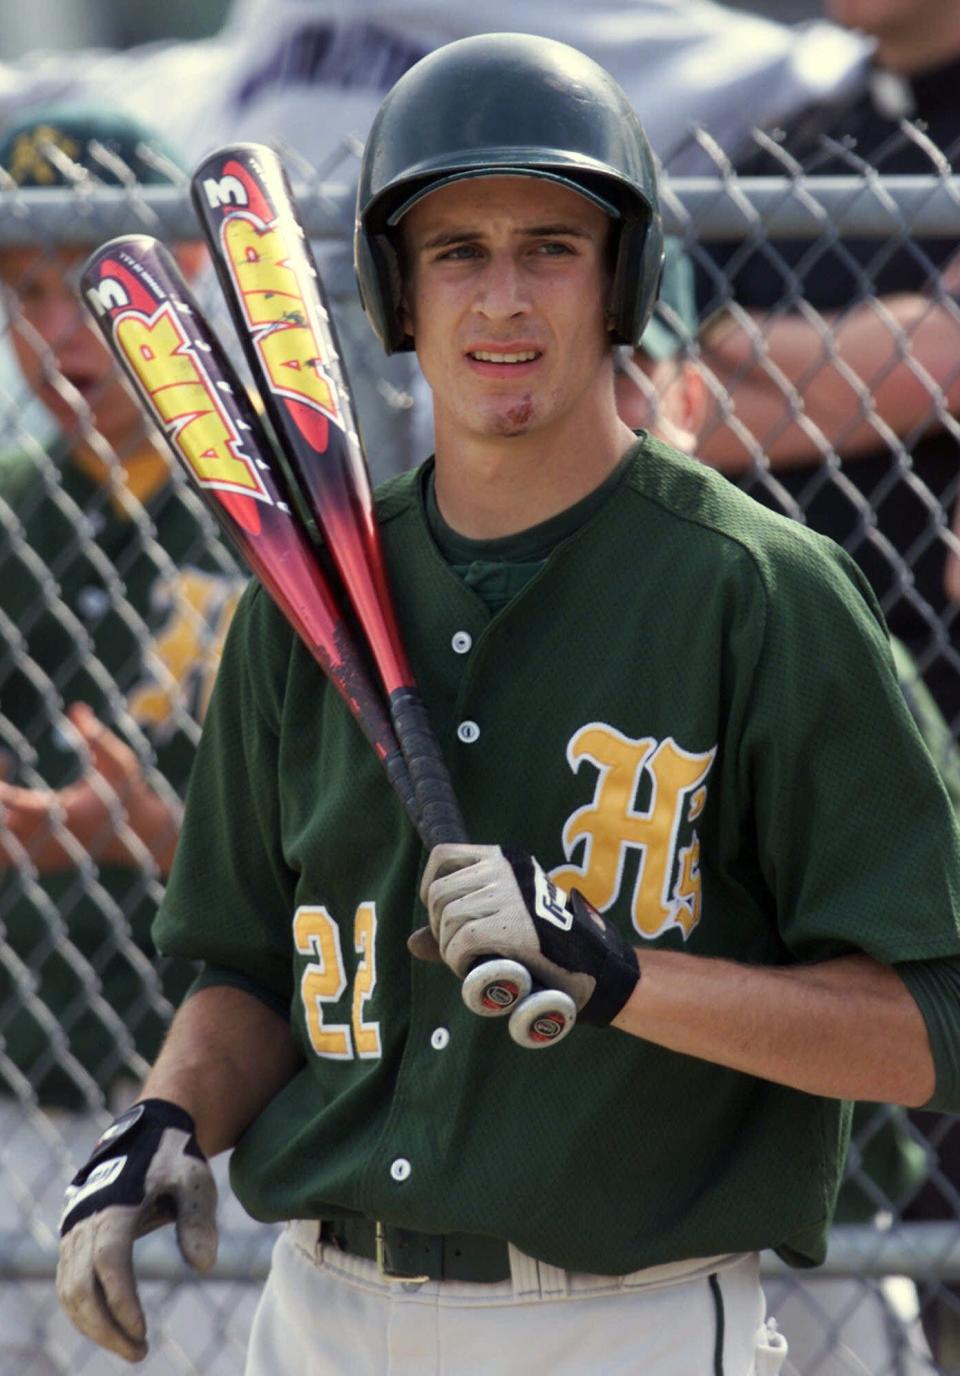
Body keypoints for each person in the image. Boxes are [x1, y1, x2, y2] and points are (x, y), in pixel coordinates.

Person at [55, 35, 960, 1376]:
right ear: (395, 293)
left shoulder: (760, 597)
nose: (503, 300)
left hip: (626, 1320)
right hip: (318, 1312)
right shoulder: (293, 613)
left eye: (550, 247)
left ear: (623, 283)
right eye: (456, 253)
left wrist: (616, 975)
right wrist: (164, 1121)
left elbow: (921, 1036)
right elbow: (243, 970)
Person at [0, 105, 250, 1374]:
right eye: (25, 288)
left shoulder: (264, 499)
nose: (57, 332)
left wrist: (158, 835)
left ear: (186, 281)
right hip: (25, 1064)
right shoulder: (17, 514)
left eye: (89, 281)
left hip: (211, 1081)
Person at [694, 0, 960, 736]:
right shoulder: (779, 152)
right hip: (763, 657)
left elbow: (937, 363)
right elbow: (658, 411)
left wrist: (728, 333)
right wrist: (875, 368)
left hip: (937, 657)